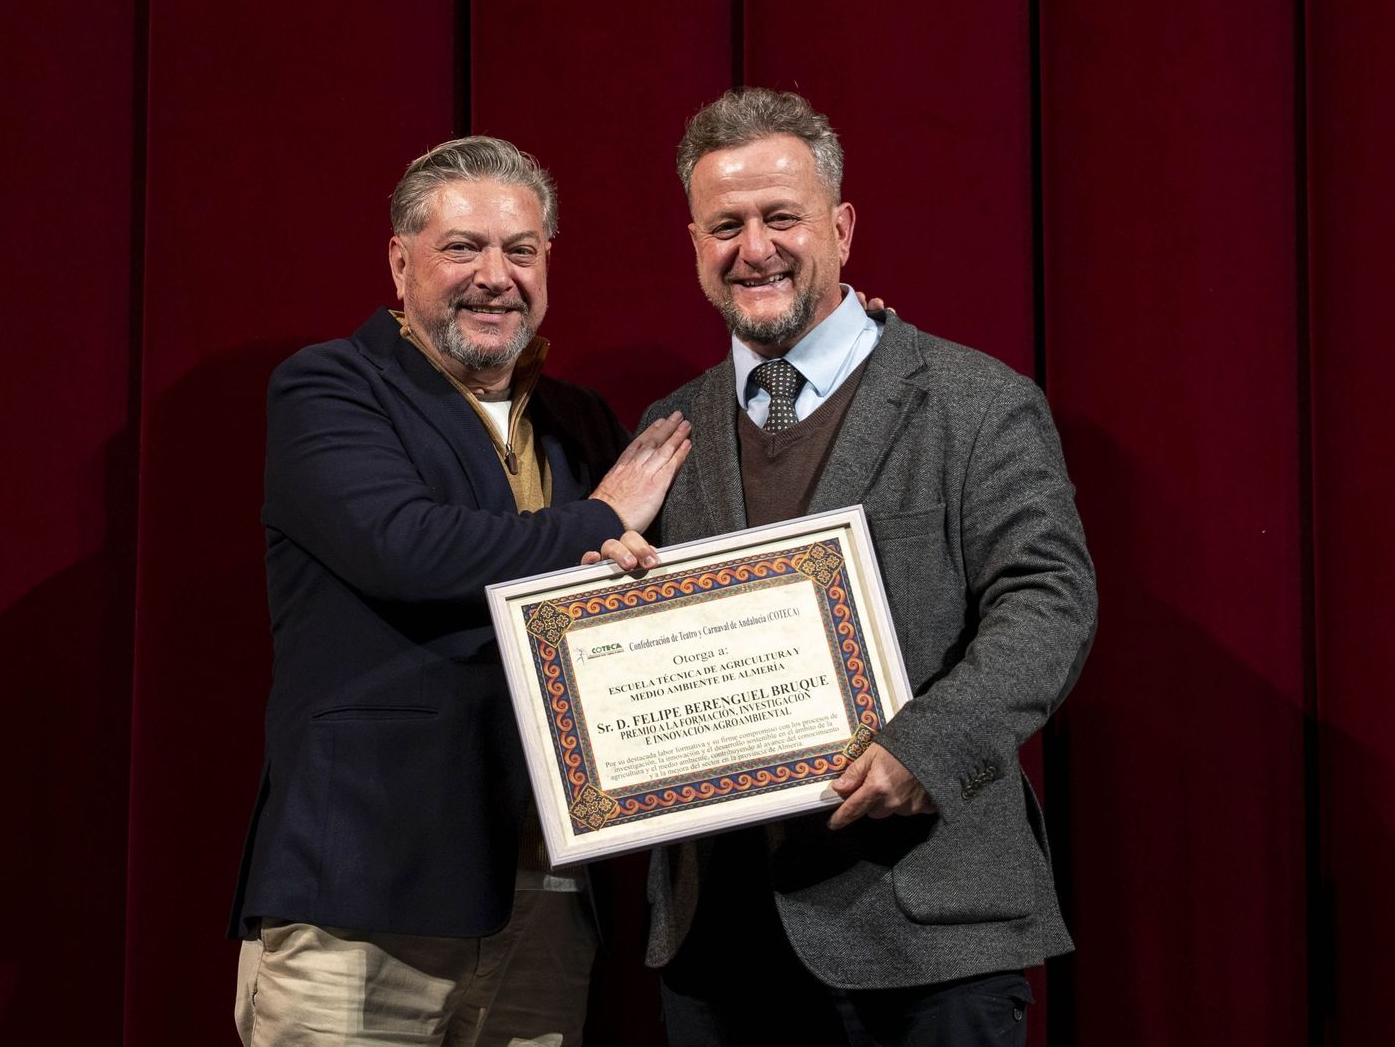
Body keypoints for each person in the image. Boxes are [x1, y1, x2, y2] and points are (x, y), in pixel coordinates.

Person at [593, 89, 1098, 1046]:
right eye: (725, 225)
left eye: (782, 218)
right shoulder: (666, 433)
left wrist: (928, 750)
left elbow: (1049, 600)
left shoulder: (974, 402)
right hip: (720, 944)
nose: (756, 249)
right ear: (694, 240)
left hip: (927, 932)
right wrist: (611, 587)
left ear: (842, 225)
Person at [227, 136, 691, 1047]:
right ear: (401, 261)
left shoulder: (583, 421)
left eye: (521, 250)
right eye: (462, 248)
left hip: (547, 898)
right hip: (365, 894)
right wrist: (595, 520)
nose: (496, 276)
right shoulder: (329, 389)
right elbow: (407, 548)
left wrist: (835, 341)